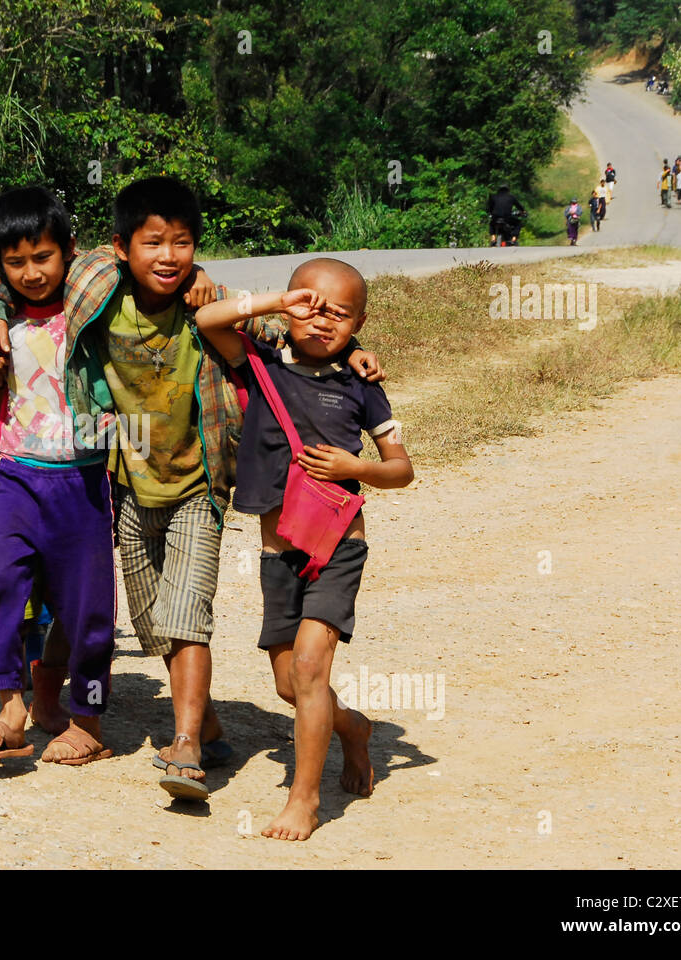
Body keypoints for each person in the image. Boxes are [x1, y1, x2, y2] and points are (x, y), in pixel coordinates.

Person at [0, 177, 385, 800]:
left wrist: (350, 349)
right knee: (152, 627)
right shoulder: (95, 287)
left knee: (187, 617)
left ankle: (187, 743)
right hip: (127, 487)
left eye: (182, 243)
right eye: (152, 243)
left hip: (199, 486)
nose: (167, 257)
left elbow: (289, 341)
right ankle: (213, 722)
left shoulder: (207, 299)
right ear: (120, 247)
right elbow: (10, 266)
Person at [194, 258, 413, 841]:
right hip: (279, 552)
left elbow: (402, 469)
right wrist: (274, 304)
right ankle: (352, 728)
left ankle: (304, 799)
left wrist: (355, 466)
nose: (322, 322)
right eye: (310, 306)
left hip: (340, 545)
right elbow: (207, 319)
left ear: (359, 322)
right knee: (290, 686)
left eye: (339, 314)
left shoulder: (362, 386)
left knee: (312, 670)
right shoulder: (261, 364)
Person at [0, 186, 121, 764]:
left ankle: (89, 720)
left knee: (88, 612)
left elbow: (120, 257)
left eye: (43, 257)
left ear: (68, 251)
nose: (31, 272)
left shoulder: (94, 306)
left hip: (83, 483)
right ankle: (10, 708)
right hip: (14, 477)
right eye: (16, 262)